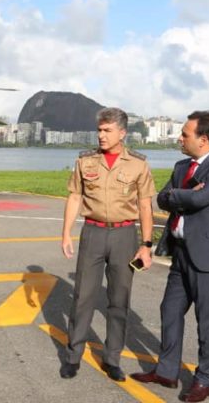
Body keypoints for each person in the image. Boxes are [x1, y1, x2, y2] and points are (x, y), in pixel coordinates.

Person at [130, 110, 209, 403]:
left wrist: (183, 194)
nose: (179, 138)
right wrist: (187, 192)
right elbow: (162, 198)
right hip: (180, 255)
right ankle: (166, 371)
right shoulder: (182, 166)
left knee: (207, 322)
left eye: (184, 134)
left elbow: (202, 199)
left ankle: (205, 380)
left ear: (203, 140)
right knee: (169, 311)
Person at [60, 107, 156, 382]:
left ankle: (112, 358)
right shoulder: (86, 161)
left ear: (122, 133)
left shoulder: (138, 164)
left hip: (125, 236)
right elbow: (75, 197)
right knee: (82, 297)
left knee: (119, 299)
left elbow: (145, 205)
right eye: (99, 130)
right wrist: (66, 233)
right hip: (93, 232)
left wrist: (146, 245)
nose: (101, 135)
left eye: (107, 130)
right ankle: (72, 356)